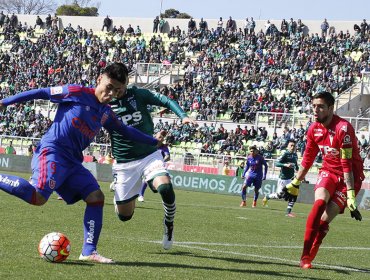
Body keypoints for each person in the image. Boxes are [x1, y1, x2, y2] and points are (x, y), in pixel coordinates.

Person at [0, 63, 162, 264]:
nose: (111, 93)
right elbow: (41, 92)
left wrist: (154, 141)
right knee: (38, 197)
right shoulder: (75, 92)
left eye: (118, 91)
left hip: (72, 161)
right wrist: (5, 102)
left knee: (96, 197)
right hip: (52, 153)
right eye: (109, 87)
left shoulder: (106, 113)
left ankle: (88, 251)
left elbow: (125, 130)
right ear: (99, 80)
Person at [108, 67, 196, 251]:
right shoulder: (103, 102)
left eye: (121, 87)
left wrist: (183, 116)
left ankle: (168, 224)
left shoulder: (138, 94)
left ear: (126, 82)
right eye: (114, 88)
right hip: (124, 162)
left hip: (149, 154)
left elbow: (166, 100)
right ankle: (121, 198)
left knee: (164, 185)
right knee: (124, 216)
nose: (117, 92)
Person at [280, 91, 364, 269]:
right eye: (314, 106)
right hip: (328, 171)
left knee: (324, 221)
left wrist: (350, 195)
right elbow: (308, 159)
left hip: (350, 178)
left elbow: (347, 164)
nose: (316, 110)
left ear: (331, 109)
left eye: (320, 107)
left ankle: (311, 254)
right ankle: (304, 257)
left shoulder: (344, 128)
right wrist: (295, 182)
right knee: (319, 204)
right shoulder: (313, 128)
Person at [262, 140, 299, 217]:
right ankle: (267, 197)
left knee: (293, 195)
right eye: (291, 145)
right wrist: (285, 165)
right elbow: (276, 163)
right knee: (279, 195)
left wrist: (298, 170)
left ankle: (288, 212)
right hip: (283, 178)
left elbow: (296, 165)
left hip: (291, 179)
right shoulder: (285, 154)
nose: (292, 147)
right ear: (288, 146)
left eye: (294, 146)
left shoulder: (295, 155)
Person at [138, 130, 171, 202]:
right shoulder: (151, 145)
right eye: (159, 136)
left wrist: (162, 160)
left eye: (162, 137)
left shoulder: (164, 147)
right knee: (143, 178)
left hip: (158, 166)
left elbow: (168, 156)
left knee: (166, 179)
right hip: (146, 163)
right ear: (155, 137)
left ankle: (165, 197)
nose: (161, 138)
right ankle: (140, 195)